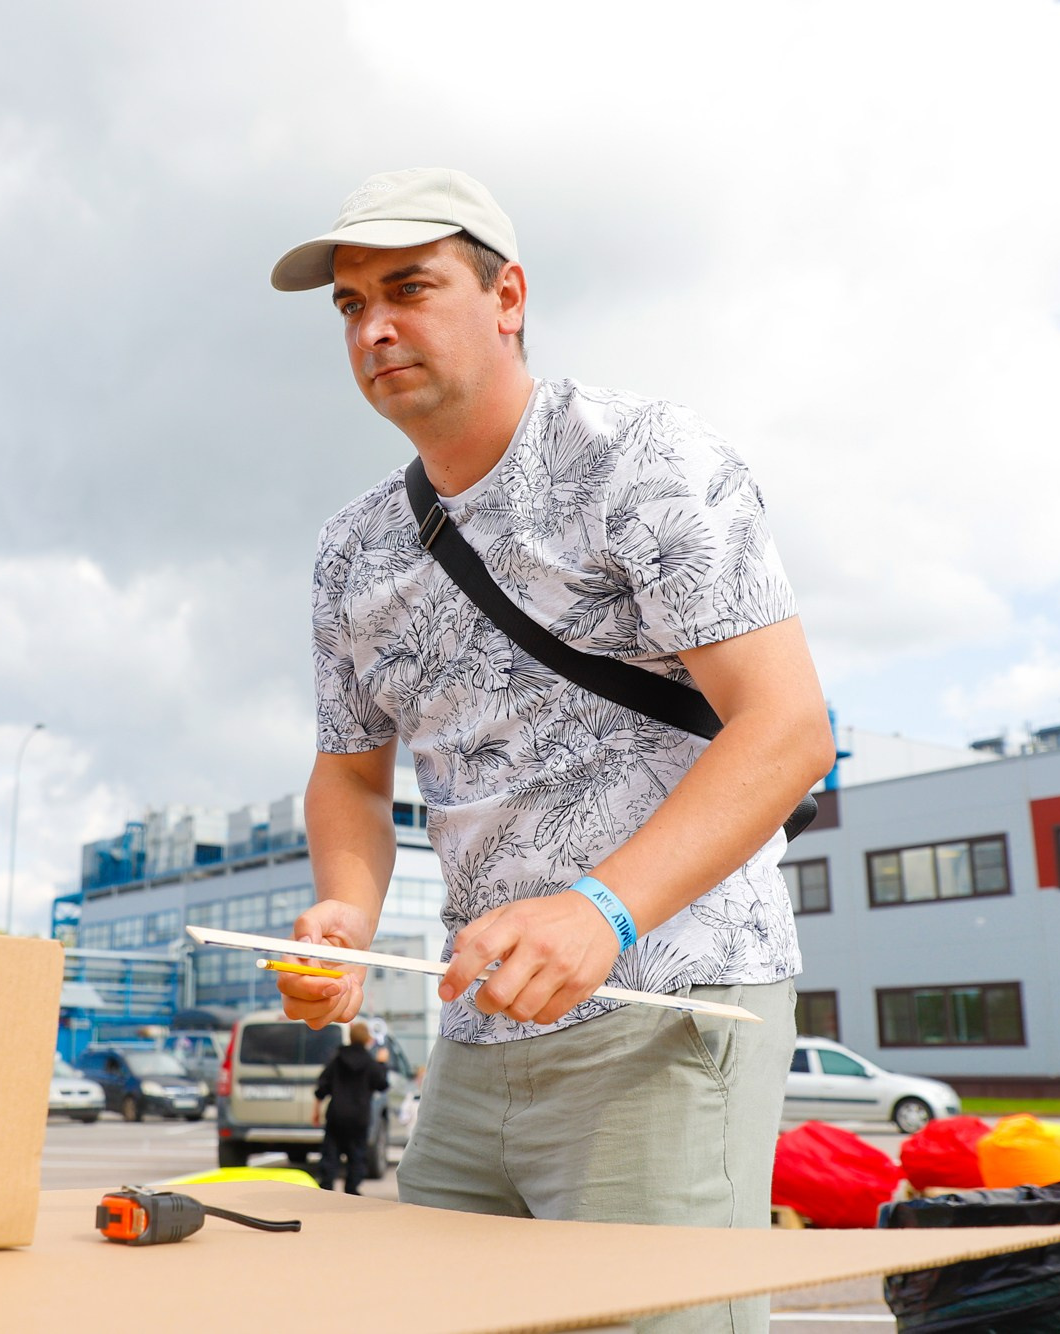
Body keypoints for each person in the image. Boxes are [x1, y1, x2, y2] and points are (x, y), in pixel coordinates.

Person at [269, 169, 836, 1334]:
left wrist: (600, 909)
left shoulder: (640, 457)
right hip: (473, 1032)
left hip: (668, 1006)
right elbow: (348, 774)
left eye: (409, 288)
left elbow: (787, 732)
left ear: (507, 293)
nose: (373, 326)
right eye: (348, 304)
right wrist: (341, 909)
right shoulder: (349, 550)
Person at [312, 1020, 389, 1194]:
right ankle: (352, 1189)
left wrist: (316, 1111)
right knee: (357, 1155)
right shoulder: (370, 1063)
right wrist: (382, 1063)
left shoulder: (338, 1059)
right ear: (368, 1040)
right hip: (359, 1117)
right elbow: (382, 1085)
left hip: (337, 1115)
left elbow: (322, 1087)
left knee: (330, 1153)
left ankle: (326, 1188)